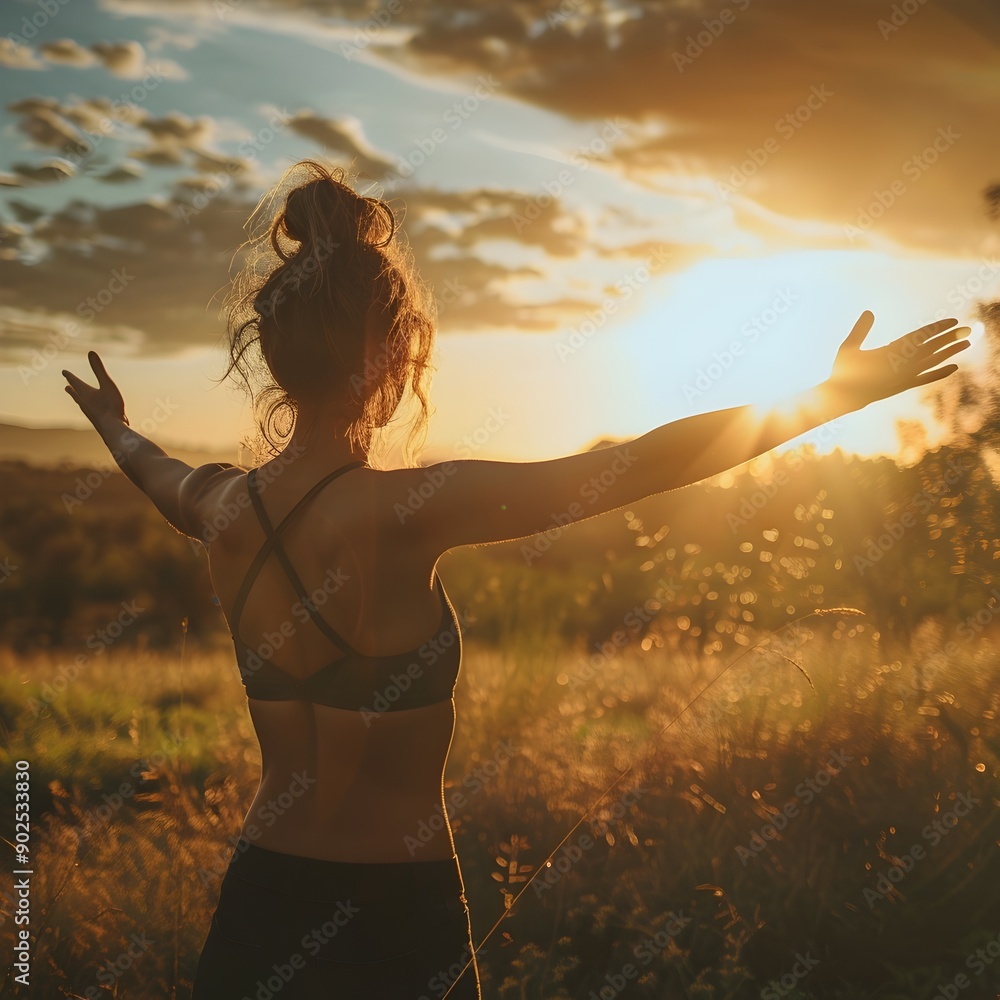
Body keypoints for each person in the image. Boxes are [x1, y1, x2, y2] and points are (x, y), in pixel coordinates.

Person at [61, 157, 970, 999]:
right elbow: (645, 464)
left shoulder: (221, 507)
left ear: (275, 356)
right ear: (387, 356)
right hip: (394, 912)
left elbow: (156, 475)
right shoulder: (406, 510)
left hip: (260, 896)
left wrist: (113, 427)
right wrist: (832, 396)